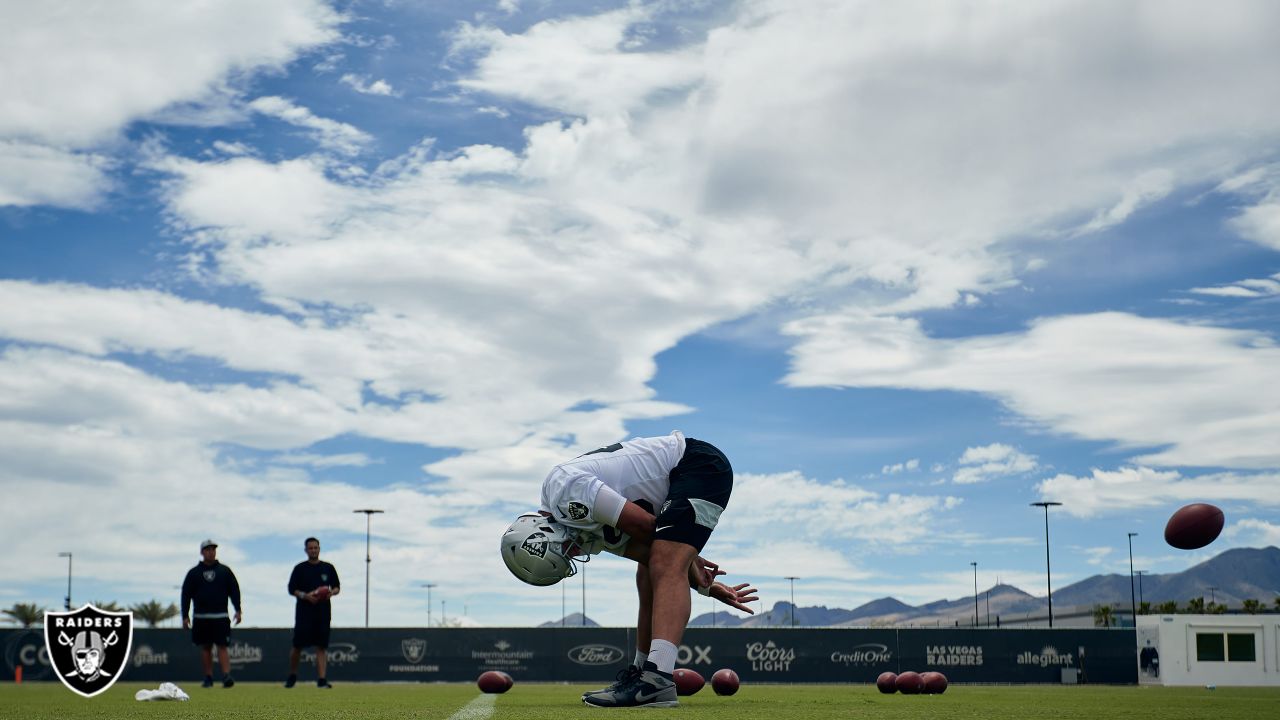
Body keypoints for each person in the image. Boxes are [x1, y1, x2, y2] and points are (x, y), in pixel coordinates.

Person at [500, 431, 757, 708]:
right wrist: (705, 585)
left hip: (698, 464)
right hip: (680, 479)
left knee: (664, 560)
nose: (574, 552)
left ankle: (656, 678)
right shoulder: (578, 527)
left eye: (565, 551)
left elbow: (647, 527)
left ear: (544, 533)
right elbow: (647, 552)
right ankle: (641, 672)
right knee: (649, 568)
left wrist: (689, 561)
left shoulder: (564, 488)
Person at [180, 539, 242, 688]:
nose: (211, 552)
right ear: (202, 552)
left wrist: (238, 610)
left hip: (220, 616)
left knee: (222, 646)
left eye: (213, 549)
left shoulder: (225, 571)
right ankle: (208, 678)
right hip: (201, 617)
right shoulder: (194, 573)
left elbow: (234, 591)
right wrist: (185, 615)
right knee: (206, 647)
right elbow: (186, 595)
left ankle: (226, 676)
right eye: (207, 549)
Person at [285, 537, 341, 688]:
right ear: (306, 550)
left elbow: (336, 587)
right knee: (297, 646)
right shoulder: (299, 568)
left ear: (319, 549)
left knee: (321, 646)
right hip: (304, 613)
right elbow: (291, 589)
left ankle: (322, 680)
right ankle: (292, 676)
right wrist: (306, 596)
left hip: (323, 613)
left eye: (316, 548)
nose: (313, 550)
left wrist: (330, 593)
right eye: (310, 548)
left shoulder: (328, 568)